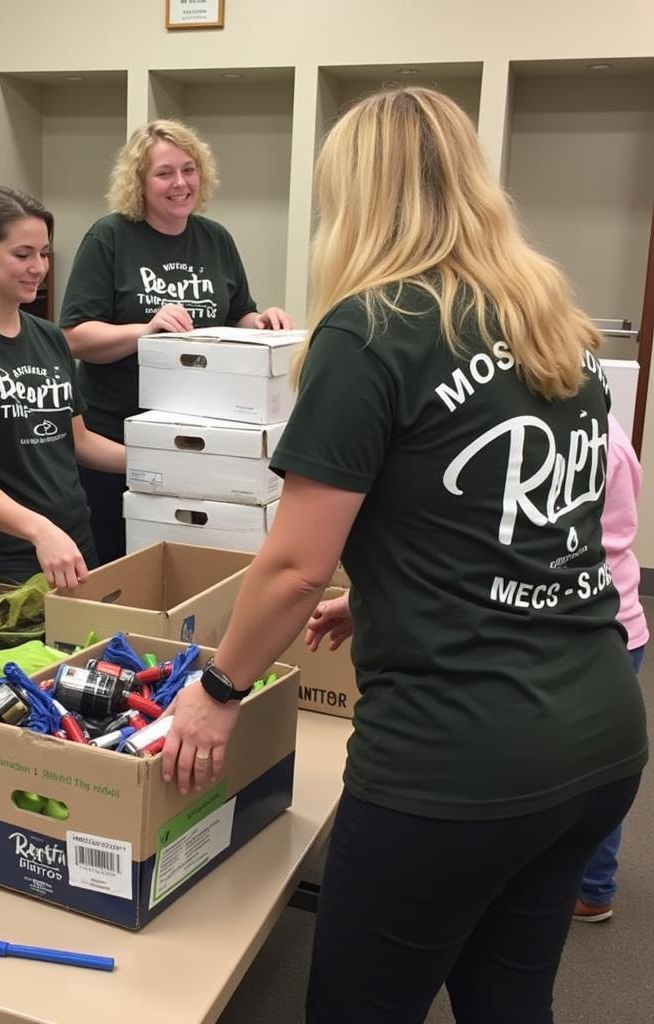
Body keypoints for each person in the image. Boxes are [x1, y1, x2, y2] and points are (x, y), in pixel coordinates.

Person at [161, 87, 647, 1024]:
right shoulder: (555, 322)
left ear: (360, 195)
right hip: (600, 730)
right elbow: (525, 526)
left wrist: (215, 693)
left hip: (456, 761)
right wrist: (385, 597)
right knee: (510, 998)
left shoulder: (372, 328)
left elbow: (296, 565)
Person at [60, 118, 293, 563]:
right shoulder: (109, 237)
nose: (180, 183)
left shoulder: (215, 239)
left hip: (200, 437)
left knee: (192, 562)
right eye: (164, 173)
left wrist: (262, 322)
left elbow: (236, 314)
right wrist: (144, 330)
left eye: (189, 169)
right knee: (123, 562)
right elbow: (72, 336)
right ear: (139, 182)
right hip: (120, 439)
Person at [0, 186, 124, 590]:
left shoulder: (49, 337)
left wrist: (162, 464)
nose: (38, 267)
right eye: (22, 254)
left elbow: (79, 441)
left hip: (74, 550)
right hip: (2, 562)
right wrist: (39, 530)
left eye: (44, 254)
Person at [573, 413, 648, 923]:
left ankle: (594, 888)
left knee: (594, 773)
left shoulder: (590, 445)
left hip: (600, 628)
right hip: (619, 624)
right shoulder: (607, 428)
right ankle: (591, 883)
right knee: (599, 768)